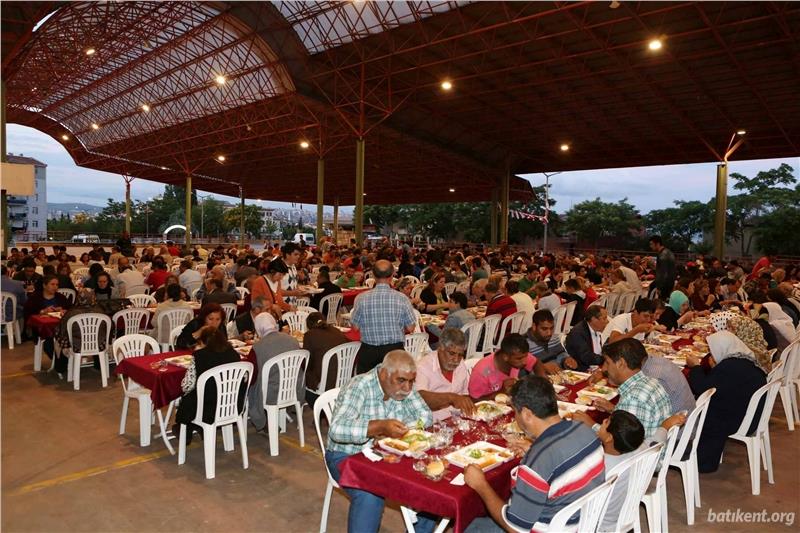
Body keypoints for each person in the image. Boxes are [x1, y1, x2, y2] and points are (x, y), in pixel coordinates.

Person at [464, 376, 605, 533]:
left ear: (526, 414)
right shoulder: (585, 430)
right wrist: (534, 450)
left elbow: (514, 529)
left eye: (515, 412)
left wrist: (480, 485)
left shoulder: (538, 461)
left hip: (549, 528)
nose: (515, 418)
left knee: (468, 525)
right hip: (585, 523)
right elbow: (557, 460)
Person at [325, 350, 435, 533]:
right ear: (384, 374)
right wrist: (379, 427)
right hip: (347, 455)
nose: (407, 388)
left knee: (431, 479)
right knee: (371, 495)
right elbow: (337, 429)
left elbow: (426, 416)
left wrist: (399, 431)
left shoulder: (404, 384)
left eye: (411, 381)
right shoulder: (360, 386)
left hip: (385, 455)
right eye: (401, 381)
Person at [686, 330, 767, 472]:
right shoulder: (744, 360)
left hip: (739, 421)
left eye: (712, 351)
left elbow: (702, 388)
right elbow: (720, 383)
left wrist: (696, 367)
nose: (711, 355)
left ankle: (695, 457)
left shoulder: (729, 367)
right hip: (752, 416)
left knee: (697, 408)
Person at [593, 410, 686, 531]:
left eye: (606, 422)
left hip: (599, 525)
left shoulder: (600, 467)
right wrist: (666, 425)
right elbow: (657, 440)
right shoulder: (641, 449)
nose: (602, 422)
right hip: (624, 517)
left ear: (609, 438)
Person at [576, 338, 671, 439]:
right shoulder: (652, 382)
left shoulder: (633, 398)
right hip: (654, 448)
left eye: (607, 363)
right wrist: (615, 410)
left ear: (620, 363)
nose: (604, 369)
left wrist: (590, 424)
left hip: (639, 453)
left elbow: (618, 443)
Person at [173, 326, 242, 444]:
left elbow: (186, 386)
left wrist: (199, 351)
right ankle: (197, 428)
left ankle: (186, 430)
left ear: (203, 342)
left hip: (208, 407)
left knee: (188, 399)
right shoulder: (234, 354)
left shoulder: (199, 356)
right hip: (232, 404)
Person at [351, 260, 417, 373]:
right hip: (395, 351)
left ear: (373, 275)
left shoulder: (361, 298)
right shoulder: (402, 298)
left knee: (367, 385)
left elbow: (355, 327)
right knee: (394, 387)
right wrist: (398, 327)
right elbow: (411, 328)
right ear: (392, 275)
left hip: (369, 352)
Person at [246, 312, 303, 431]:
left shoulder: (258, 347)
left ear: (258, 328)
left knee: (251, 387)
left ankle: (263, 421)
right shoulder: (293, 340)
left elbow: (253, 376)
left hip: (271, 393)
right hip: (293, 388)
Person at [414, 328, 476, 421]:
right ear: (441, 348)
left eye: (460, 355)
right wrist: (451, 398)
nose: (456, 360)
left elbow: (464, 394)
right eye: (452, 353)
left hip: (458, 420)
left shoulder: (461, 364)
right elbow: (419, 399)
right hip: (432, 424)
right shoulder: (422, 367)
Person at [468, 334, 542, 400]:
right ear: (505, 357)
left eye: (526, 356)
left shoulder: (518, 355)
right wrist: (501, 392)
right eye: (519, 359)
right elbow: (474, 400)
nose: (524, 362)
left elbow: (536, 363)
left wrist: (543, 383)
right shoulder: (482, 371)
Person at [23, 274, 71, 371]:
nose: (55, 287)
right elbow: (28, 314)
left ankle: (68, 360)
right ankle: (60, 364)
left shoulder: (61, 298)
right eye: (52, 284)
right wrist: (42, 311)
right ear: (44, 285)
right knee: (49, 341)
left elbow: (70, 310)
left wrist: (63, 310)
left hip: (62, 328)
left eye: (57, 285)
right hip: (43, 329)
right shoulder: (35, 298)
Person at [303, 311, 350, 405]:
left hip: (325, 385)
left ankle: (319, 411)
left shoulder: (310, 335)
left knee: (301, 376)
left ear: (309, 326)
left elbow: (307, 363)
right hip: (344, 379)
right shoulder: (337, 331)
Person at [565, 304, 609, 371]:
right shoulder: (578, 333)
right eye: (604, 318)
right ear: (594, 319)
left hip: (595, 366)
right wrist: (606, 359)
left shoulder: (597, 328)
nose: (607, 321)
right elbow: (587, 358)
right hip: (582, 370)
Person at [649, 235, 676, 300]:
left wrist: (660, 287)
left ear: (657, 244)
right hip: (670, 283)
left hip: (664, 285)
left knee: (661, 304)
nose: (650, 246)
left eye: (651, 244)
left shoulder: (662, 255)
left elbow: (663, 273)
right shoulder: (669, 252)